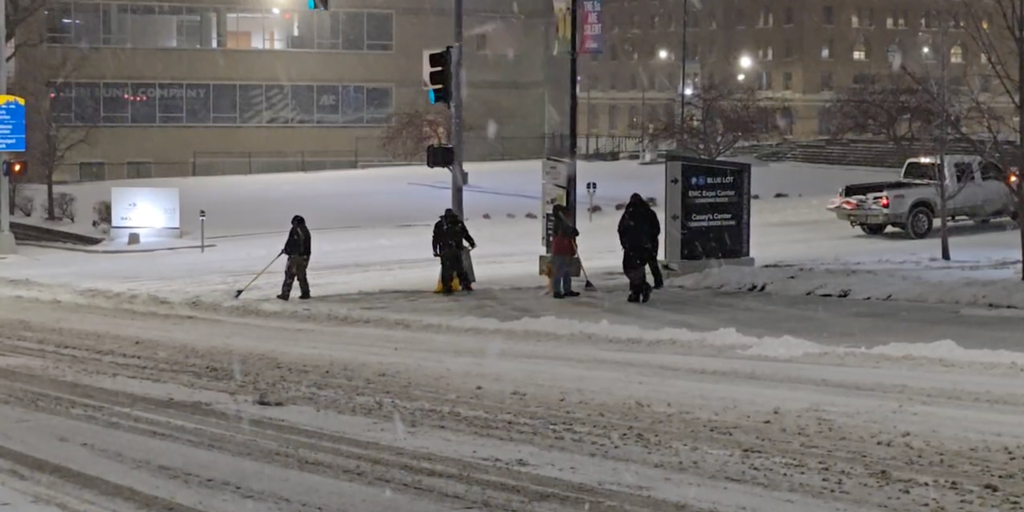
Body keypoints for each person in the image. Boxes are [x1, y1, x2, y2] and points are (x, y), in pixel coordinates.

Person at [618, 193, 659, 303]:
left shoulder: (629, 213)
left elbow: (621, 229)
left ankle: (639, 290)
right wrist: (650, 242)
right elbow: (656, 229)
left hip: (632, 246)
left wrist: (625, 242)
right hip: (644, 246)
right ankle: (638, 290)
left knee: (629, 268)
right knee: (638, 269)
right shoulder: (649, 213)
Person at [433, 208, 476, 294]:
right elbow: (465, 234)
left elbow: (435, 238)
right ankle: (466, 285)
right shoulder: (458, 223)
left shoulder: (440, 224)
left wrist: (435, 250)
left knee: (446, 269)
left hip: (445, 250)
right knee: (459, 268)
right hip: (456, 249)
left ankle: (447, 286)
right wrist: (472, 243)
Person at [278, 215, 311, 301]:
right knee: (302, 275)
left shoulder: (295, 230)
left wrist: (287, 250)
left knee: (290, 275)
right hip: (305, 257)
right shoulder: (306, 230)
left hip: (295, 257)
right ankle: (305, 293)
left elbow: (291, 242)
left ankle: (285, 294)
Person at [550, 204, 580, 299]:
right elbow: (564, 233)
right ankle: (557, 290)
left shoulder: (564, 222)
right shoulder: (559, 222)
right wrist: (571, 232)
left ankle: (567, 289)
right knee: (559, 271)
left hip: (566, 249)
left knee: (567, 271)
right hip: (560, 249)